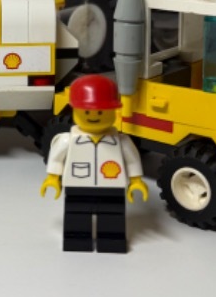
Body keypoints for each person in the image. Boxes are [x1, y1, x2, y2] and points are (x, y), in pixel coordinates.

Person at [40, 74, 148, 253]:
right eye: (87, 111)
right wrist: (52, 178)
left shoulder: (121, 141)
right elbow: (57, 158)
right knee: (77, 213)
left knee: (112, 214)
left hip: (112, 186)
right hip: (77, 185)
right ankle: (76, 238)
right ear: (75, 110)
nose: (94, 116)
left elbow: (132, 160)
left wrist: (136, 181)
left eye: (100, 112)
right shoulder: (68, 140)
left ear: (114, 111)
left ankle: (111, 239)